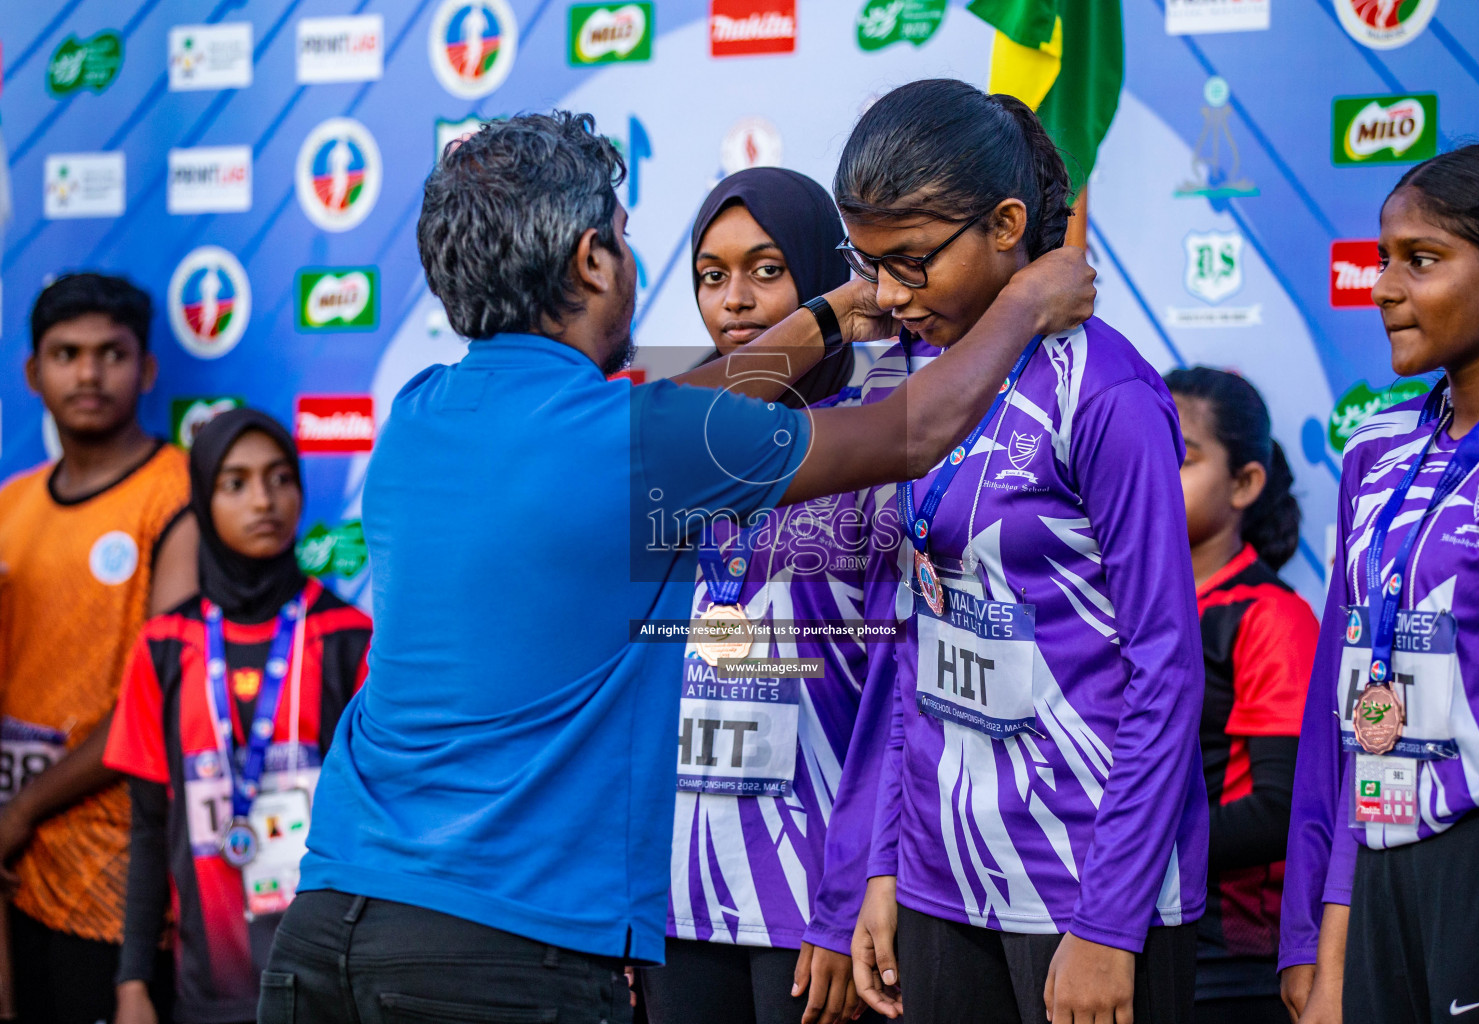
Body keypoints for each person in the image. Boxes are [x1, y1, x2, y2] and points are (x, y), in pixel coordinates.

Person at [259, 111, 1096, 1024]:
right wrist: (1024, 305)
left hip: (326, 923)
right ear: (589, 262)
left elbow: (695, 404)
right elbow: (916, 430)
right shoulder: (639, 442)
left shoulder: (419, 415)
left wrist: (830, 312)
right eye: (623, 238)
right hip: (497, 955)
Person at [841, 79, 1208, 1024]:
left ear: (1008, 225)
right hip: (942, 878)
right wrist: (886, 863)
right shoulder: (918, 384)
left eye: (911, 262)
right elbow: (916, 649)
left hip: (1084, 882)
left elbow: (1166, 671)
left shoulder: (1108, 391)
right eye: (868, 263)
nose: (887, 295)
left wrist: (1111, 920)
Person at [1279, 142, 1479, 1024]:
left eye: (1420, 261)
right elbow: (1346, 716)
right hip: (1379, 852)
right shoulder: (1378, 449)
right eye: (1383, 258)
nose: (1384, 286)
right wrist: (1323, 942)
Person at [641, 168, 867, 1024]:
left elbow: (900, 702)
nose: (735, 299)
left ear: (821, 273)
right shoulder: (668, 433)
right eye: (711, 274)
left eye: (767, 269)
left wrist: (852, 897)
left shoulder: (875, 433)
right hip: (676, 895)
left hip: (815, 896)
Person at [105, 409, 371, 1024]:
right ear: (202, 499)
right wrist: (133, 982)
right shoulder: (164, 647)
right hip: (206, 986)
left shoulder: (348, 639)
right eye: (236, 482)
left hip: (329, 979)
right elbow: (148, 830)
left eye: (281, 478)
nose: (265, 501)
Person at [0, 273, 197, 1024]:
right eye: (66, 353)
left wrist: (21, 811)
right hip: (15, 866)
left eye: (110, 354)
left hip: (115, 874)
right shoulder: (10, 503)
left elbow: (160, 698)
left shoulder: (175, 493)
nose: (87, 373)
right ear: (33, 373)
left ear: (145, 370)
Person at [1164, 368, 1319, 1024]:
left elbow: (1281, 809)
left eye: (1183, 456)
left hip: (1228, 955)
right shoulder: (1106, 607)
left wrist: (1126, 846)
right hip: (1118, 919)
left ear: (1246, 483)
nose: (1153, 473)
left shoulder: (1269, 617)